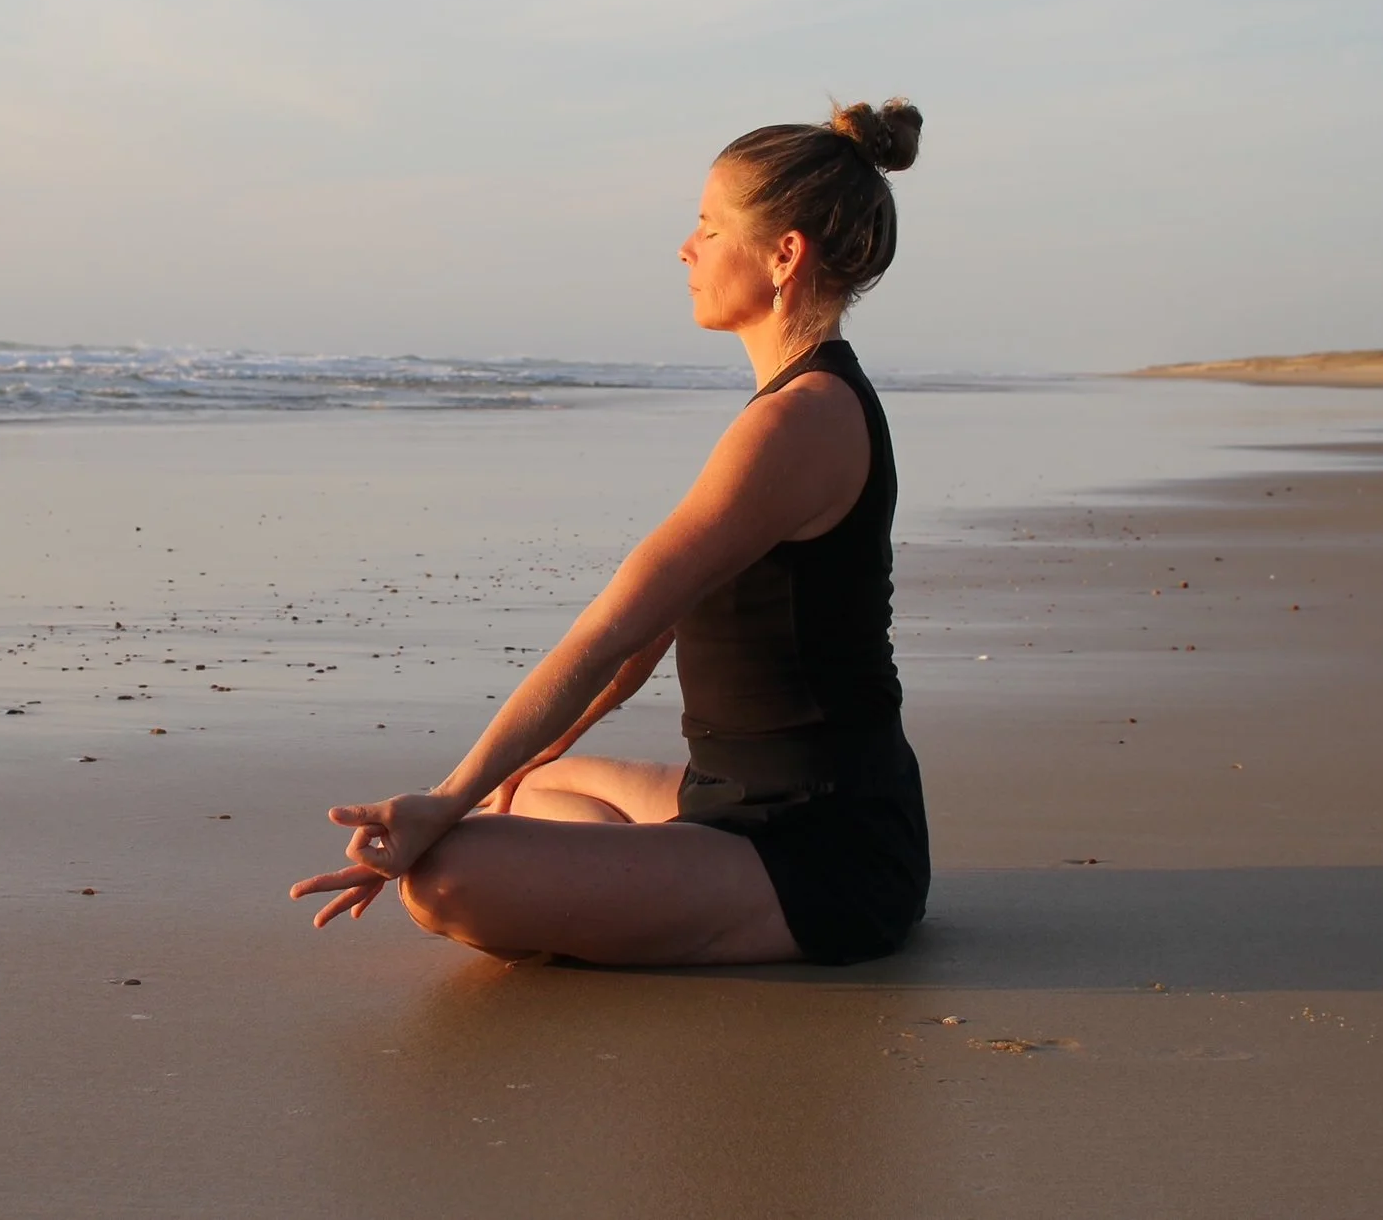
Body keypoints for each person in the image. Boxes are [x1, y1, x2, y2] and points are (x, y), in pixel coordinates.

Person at [288, 100, 931, 966]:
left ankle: (651, 892)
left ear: (784, 254)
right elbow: (643, 648)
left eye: (708, 225)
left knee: (445, 881)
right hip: (741, 803)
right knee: (535, 785)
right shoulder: (800, 404)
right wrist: (507, 771)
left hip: (820, 852)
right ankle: (624, 875)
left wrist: (445, 799)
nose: (686, 248)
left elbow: (611, 628)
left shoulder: (799, 422)